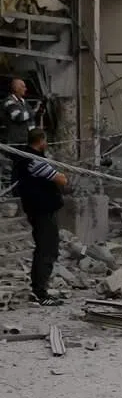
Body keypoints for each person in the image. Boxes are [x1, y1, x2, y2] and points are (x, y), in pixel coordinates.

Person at [13, 129, 68, 306]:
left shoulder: (25, 156)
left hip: (37, 208)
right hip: (42, 210)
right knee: (47, 249)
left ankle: (39, 289)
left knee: (44, 248)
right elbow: (61, 179)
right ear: (42, 141)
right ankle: (40, 293)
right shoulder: (34, 159)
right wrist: (61, 177)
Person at [1, 78, 40, 187]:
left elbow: (30, 120)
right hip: (16, 141)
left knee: (28, 165)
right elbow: (19, 117)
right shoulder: (9, 102)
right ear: (16, 88)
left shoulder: (23, 102)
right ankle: (16, 191)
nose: (26, 89)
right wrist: (34, 111)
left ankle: (26, 188)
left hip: (27, 140)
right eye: (23, 86)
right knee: (18, 167)